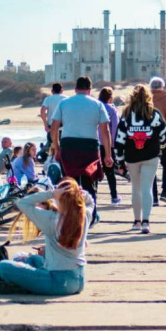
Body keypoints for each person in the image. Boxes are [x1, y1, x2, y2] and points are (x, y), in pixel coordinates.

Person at [0, 178, 92, 295]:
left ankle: (24, 287)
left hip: (59, 282)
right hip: (79, 280)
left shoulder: (51, 219)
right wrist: (83, 195)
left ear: (59, 198)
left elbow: (22, 203)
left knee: (2, 267)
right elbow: (91, 202)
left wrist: (51, 193)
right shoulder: (84, 216)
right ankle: (26, 284)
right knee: (33, 260)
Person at [50, 77, 113, 224]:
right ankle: (90, 217)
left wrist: (56, 147)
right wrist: (108, 155)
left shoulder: (64, 103)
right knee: (89, 183)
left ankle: (67, 216)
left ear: (75, 89)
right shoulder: (97, 104)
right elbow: (106, 131)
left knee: (68, 183)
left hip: (69, 145)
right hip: (90, 146)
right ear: (90, 90)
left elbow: (54, 127)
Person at [115, 85, 166, 234]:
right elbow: (165, 135)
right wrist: (160, 147)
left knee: (136, 188)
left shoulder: (126, 114)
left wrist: (119, 161)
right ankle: (146, 221)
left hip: (132, 157)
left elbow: (119, 139)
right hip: (151, 156)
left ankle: (136, 222)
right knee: (147, 188)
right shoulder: (154, 114)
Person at [149, 77, 166, 205]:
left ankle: (153, 197)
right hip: (164, 138)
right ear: (163, 87)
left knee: (151, 166)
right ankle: (165, 192)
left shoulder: (146, 99)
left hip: (148, 138)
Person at [98, 87, 121, 205]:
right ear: (110, 97)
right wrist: (113, 144)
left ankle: (93, 197)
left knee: (95, 171)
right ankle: (114, 196)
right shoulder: (112, 109)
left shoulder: (95, 106)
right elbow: (115, 127)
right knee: (110, 172)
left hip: (95, 143)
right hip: (108, 144)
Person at [40, 83, 66, 150]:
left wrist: (45, 125)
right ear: (62, 90)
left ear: (52, 91)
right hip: (64, 127)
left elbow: (42, 111)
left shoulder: (48, 99)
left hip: (51, 126)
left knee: (51, 147)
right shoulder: (66, 99)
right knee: (63, 147)